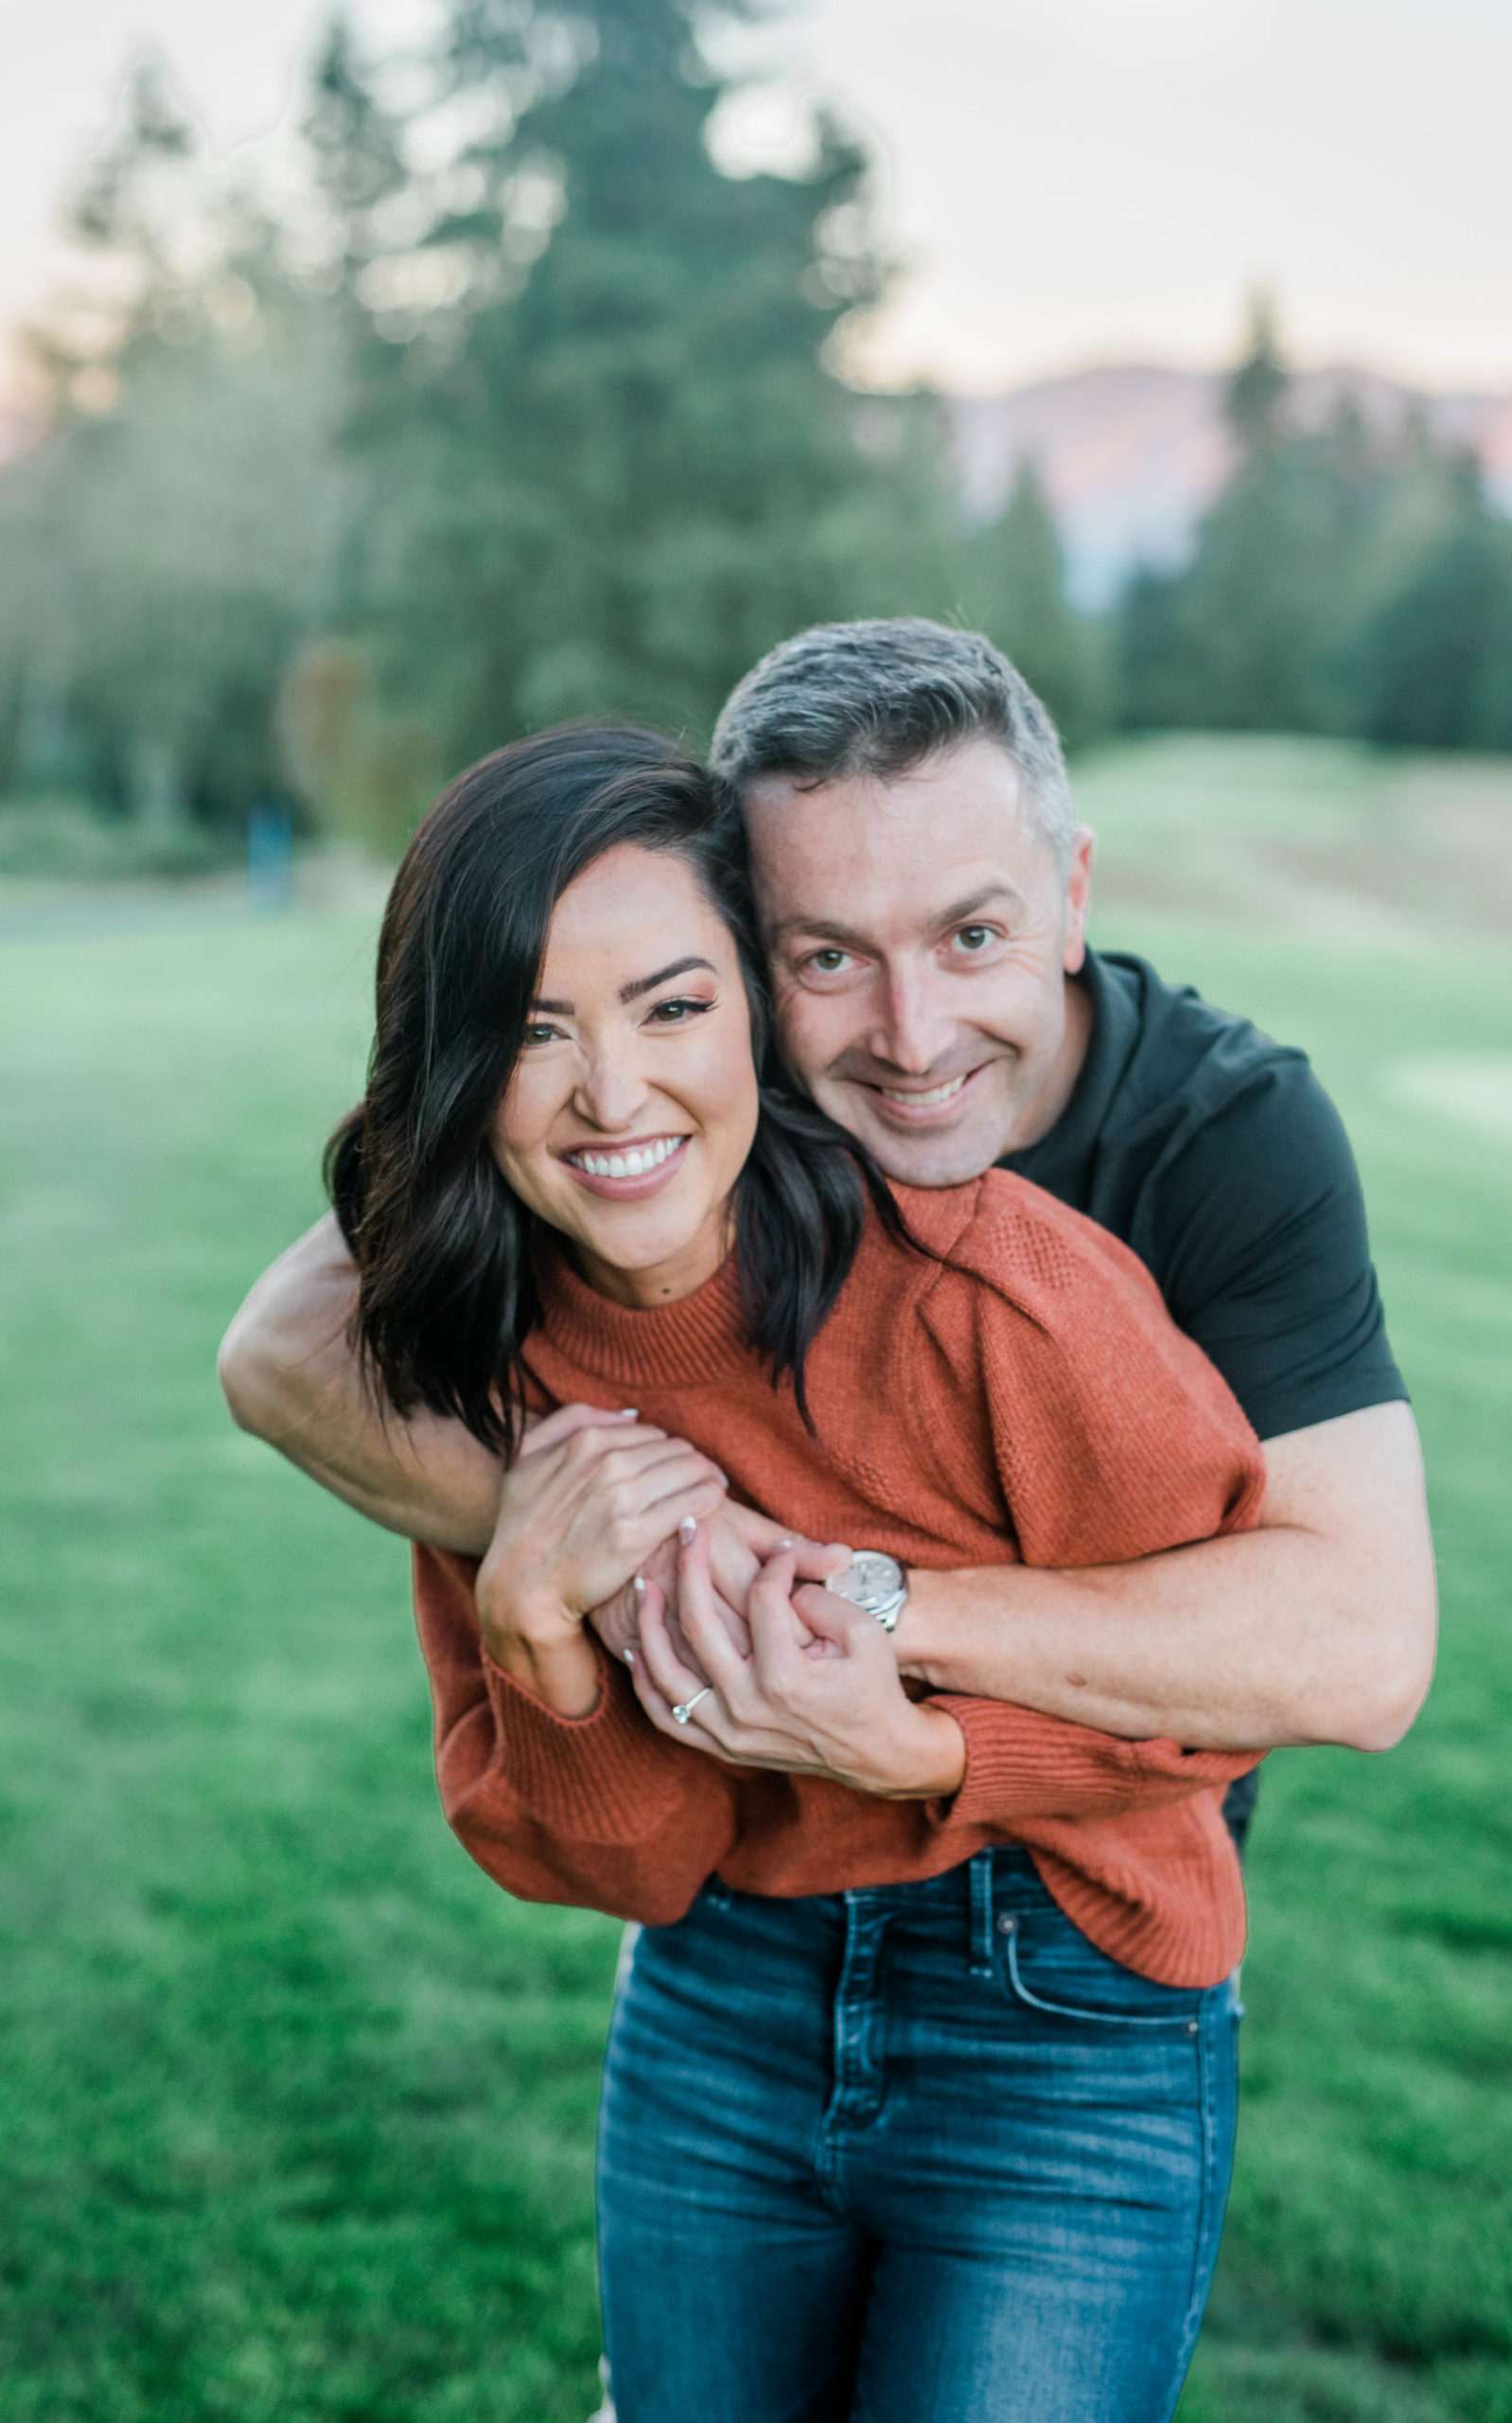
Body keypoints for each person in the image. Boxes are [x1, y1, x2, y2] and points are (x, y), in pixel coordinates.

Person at [220, 625, 1437, 2386]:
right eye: (827, 958)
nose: (913, 1035)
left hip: (1071, 1955)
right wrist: (571, 1587)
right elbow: (281, 1350)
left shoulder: (1192, 1160)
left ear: (1073, 891)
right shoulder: (634, 1143)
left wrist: (847, 1616)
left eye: (973, 934)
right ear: (751, 951)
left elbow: (1352, 1652)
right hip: (733, 1948)